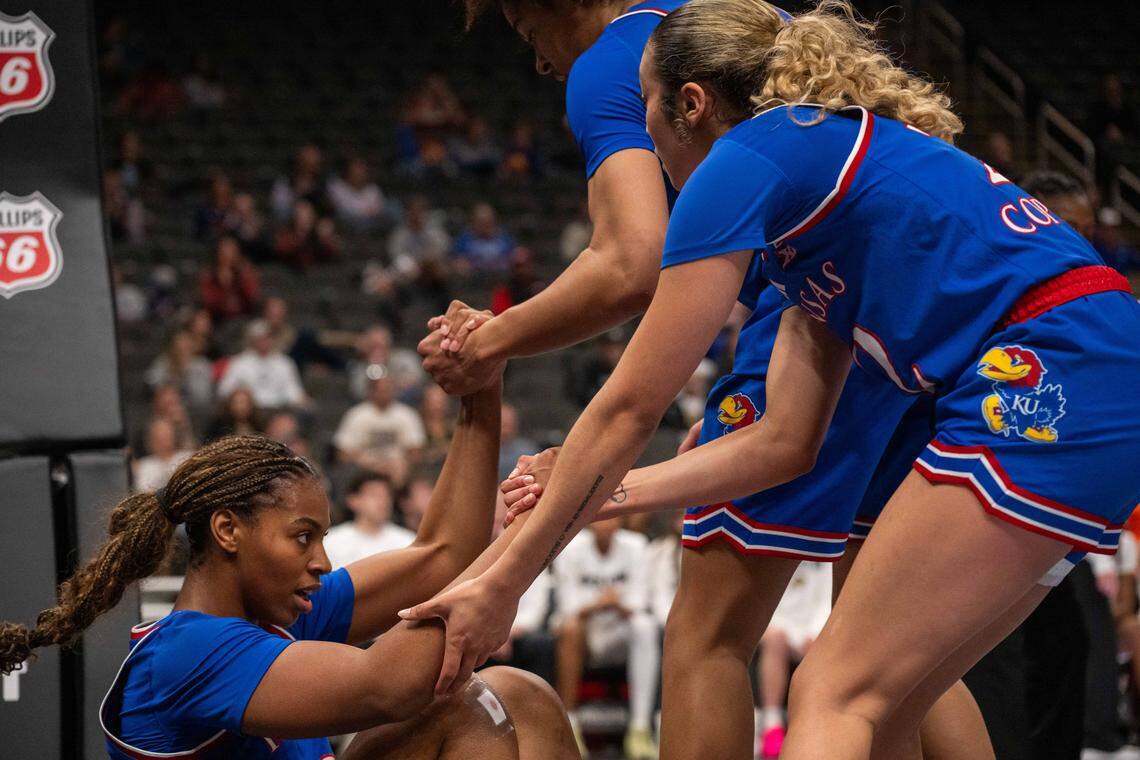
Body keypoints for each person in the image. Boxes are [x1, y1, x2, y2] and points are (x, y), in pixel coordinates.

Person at [404, 5, 1140, 760]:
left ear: (689, 104)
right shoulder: (818, 205)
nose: (649, 144)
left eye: (648, 115)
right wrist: (608, 495)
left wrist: (503, 585)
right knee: (891, 702)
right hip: (1097, 377)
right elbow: (784, 443)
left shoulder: (748, 158)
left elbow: (629, 405)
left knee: (829, 691)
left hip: (1046, 369)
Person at [0, 366, 580, 760]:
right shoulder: (184, 651)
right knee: (473, 703)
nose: (322, 561)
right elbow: (391, 686)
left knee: (517, 693)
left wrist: (481, 385)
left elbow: (445, 557)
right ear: (228, 531)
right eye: (302, 538)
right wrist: (547, 519)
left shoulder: (277, 614)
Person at [551, 517, 658, 758]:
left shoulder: (637, 545)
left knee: (645, 626)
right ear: (591, 520)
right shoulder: (571, 548)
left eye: (612, 517)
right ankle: (571, 724)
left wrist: (609, 604)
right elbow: (569, 606)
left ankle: (640, 727)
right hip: (587, 635)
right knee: (570, 626)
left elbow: (640, 602)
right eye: (601, 517)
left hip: (620, 631)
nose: (606, 523)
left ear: (621, 520)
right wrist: (604, 603)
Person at [755, 562, 831, 758]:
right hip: (776, 627)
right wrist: (788, 634)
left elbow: (826, 601)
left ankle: (812, 722)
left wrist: (811, 633)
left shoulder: (823, 560)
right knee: (776, 640)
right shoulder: (769, 558)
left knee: (818, 645)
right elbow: (763, 602)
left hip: (808, 629)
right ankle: (772, 726)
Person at [334, 373, 426, 487]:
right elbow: (343, 454)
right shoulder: (356, 415)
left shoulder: (407, 414)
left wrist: (396, 463)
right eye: (381, 390)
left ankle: (397, 501)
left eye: (388, 389)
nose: (385, 393)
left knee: (399, 467)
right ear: (371, 392)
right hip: (365, 466)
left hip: (396, 465)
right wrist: (374, 464)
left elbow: (416, 451)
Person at [325, 472, 416, 569]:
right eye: (374, 495)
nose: (382, 501)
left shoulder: (408, 542)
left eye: (386, 495)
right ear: (353, 501)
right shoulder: (332, 542)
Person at [216, 319, 307, 411]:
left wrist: (300, 399)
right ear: (252, 339)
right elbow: (224, 390)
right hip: (250, 411)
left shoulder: (285, 362)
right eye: (260, 338)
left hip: (279, 410)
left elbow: (294, 391)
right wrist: (241, 393)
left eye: (267, 337)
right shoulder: (239, 362)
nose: (264, 341)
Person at [132, 417, 193, 492]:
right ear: (150, 440)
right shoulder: (144, 465)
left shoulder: (187, 457)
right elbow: (141, 491)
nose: (163, 440)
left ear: (173, 436)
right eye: (158, 437)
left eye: (166, 435)